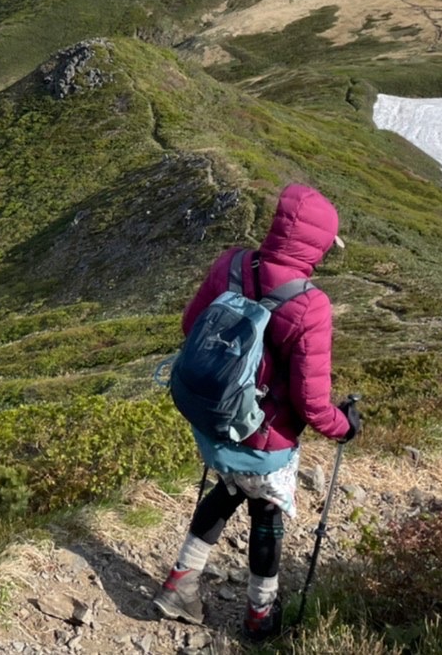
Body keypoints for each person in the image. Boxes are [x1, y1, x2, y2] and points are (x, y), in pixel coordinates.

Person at [154, 183, 361, 640]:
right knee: (265, 513)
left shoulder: (231, 263)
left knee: (227, 489)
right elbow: (310, 404)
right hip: (263, 439)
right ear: (318, 244)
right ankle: (259, 617)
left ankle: (179, 586)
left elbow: (192, 327)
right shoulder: (310, 306)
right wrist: (344, 426)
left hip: (211, 420)